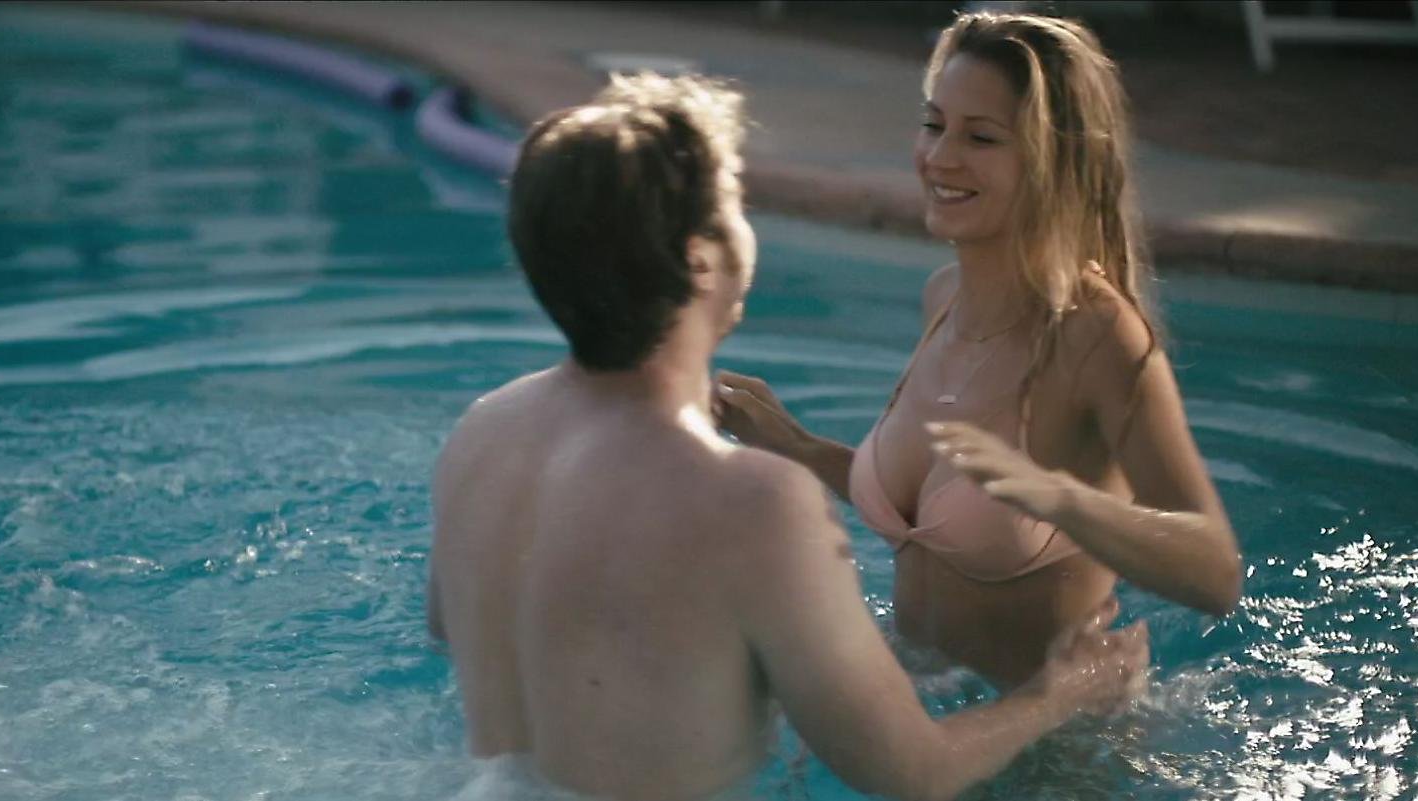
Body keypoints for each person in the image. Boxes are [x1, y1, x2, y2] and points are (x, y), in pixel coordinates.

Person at [427, 72, 1147, 801]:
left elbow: (460, 628)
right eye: (734, 203)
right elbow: (914, 771)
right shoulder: (752, 500)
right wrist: (1061, 692)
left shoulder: (485, 431)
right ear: (701, 257)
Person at [714, 12, 1243, 690]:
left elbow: (1216, 574)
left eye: (981, 137)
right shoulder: (944, 298)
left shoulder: (1096, 335)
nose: (940, 157)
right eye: (934, 125)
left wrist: (1059, 498)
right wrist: (797, 446)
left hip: (1055, 737)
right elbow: (933, 523)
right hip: (915, 705)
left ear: (1056, 163)